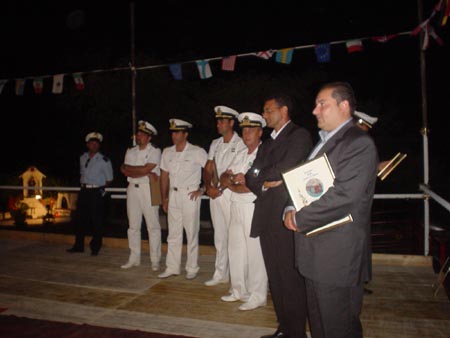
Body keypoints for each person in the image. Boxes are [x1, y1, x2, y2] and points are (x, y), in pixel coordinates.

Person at [284, 81, 379, 338]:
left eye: (322, 104)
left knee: (338, 328)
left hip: (337, 258)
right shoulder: (325, 143)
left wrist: (299, 218)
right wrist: (290, 206)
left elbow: (344, 197)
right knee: (320, 326)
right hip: (317, 255)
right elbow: (305, 184)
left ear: (344, 106)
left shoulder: (359, 143)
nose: (315, 111)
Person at [245, 93, 312, 338]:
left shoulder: (299, 135)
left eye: (268, 110)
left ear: (283, 111)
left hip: (285, 215)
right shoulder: (268, 143)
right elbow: (250, 174)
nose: (264, 115)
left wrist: (261, 174)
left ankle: (296, 333)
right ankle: (284, 328)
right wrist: (263, 179)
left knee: (290, 278)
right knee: (275, 278)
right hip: (266, 215)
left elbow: (287, 167)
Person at [219, 112, 268, 311]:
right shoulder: (240, 153)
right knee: (235, 250)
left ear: (260, 132)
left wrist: (232, 183)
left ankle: (258, 294)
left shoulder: (263, 155)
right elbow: (223, 176)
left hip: (251, 207)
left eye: (251, 129)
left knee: (255, 253)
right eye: (244, 129)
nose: (246, 133)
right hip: (235, 205)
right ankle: (238, 290)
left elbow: (250, 187)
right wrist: (233, 182)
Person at [158, 118, 208, 280]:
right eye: (172, 132)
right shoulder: (167, 152)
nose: (174, 135)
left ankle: (192, 267)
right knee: (173, 233)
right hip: (173, 195)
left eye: (177, 132)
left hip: (189, 195)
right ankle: (172, 267)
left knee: (191, 232)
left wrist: (203, 189)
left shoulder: (196, 151)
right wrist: (164, 198)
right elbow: (164, 176)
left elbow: (210, 169)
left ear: (185, 134)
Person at [203, 105, 246, 287]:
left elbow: (232, 173)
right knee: (219, 236)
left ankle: (238, 277)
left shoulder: (241, 143)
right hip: (215, 194)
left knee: (235, 237)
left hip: (231, 195)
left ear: (231, 123)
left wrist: (218, 189)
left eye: (222, 121)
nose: (218, 124)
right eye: (217, 121)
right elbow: (208, 167)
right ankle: (220, 273)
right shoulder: (215, 143)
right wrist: (208, 187)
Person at [120, 120, 162, 271]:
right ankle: (134, 257)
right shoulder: (130, 151)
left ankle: (155, 259)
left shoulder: (155, 151)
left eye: (143, 134)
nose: (139, 136)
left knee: (153, 226)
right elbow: (125, 170)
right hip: (132, 188)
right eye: (138, 133)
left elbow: (145, 169)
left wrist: (136, 170)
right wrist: (141, 170)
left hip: (149, 188)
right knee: (133, 226)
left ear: (149, 137)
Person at [67, 132, 113, 256]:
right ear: (87, 144)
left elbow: (109, 179)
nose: (94, 145)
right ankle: (78, 246)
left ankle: (95, 247)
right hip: (84, 191)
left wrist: (100, 190)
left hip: (96, 191)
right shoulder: (83, 157)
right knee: (80, 220)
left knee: (97, 221)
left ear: (99, 145)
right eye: (92, 143)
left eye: (96, 143)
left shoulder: (104, 160)